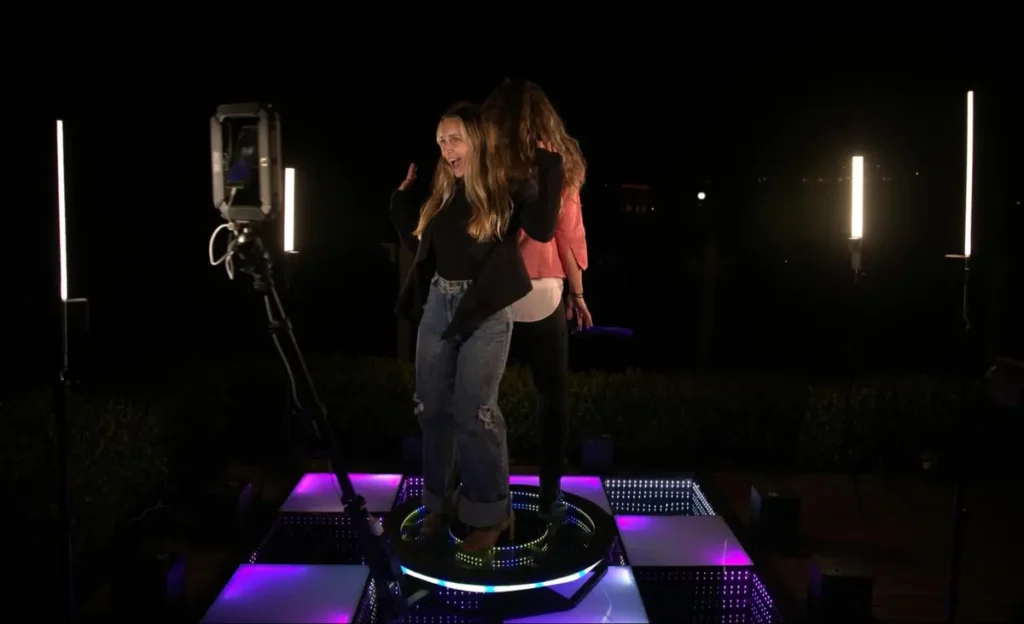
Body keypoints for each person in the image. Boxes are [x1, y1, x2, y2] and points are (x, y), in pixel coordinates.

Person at [390, 102, 564, 551]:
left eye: (455, 139)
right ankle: (438, 505)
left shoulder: (505, 185)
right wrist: (401, 198)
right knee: (431, 407)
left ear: (478, 138)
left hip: (485, 310)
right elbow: (417, 235)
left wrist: (550, 165)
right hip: (439, 306)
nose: (447, 150)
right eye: (441, 142)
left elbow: (543, 229)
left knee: (476, 411)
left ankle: (491, 514)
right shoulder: (445, 190)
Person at [482, 79, 593, 516]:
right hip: (544, 291)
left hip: (494, 288)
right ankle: (550, 492)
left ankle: (480, 488)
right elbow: (569, 234)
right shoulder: (557, 161)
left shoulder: (488, 159)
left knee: (480, 395)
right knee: (552, 394)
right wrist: (579, 294)